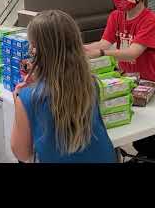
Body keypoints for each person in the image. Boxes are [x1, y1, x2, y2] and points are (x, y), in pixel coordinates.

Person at [10, 10, 116, 163]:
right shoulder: (91, 83)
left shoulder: (27, 97)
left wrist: (19, 99)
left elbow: (22, 153)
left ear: (36, 50)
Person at [85, 0, 155, 161]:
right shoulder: (116, 16)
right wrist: (76, 48)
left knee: (147, 140)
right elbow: (103, 42)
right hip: (125, 82)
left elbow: (132, 53)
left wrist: (102, 53)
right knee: (124, 130)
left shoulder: (151, 20)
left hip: (147, 84)